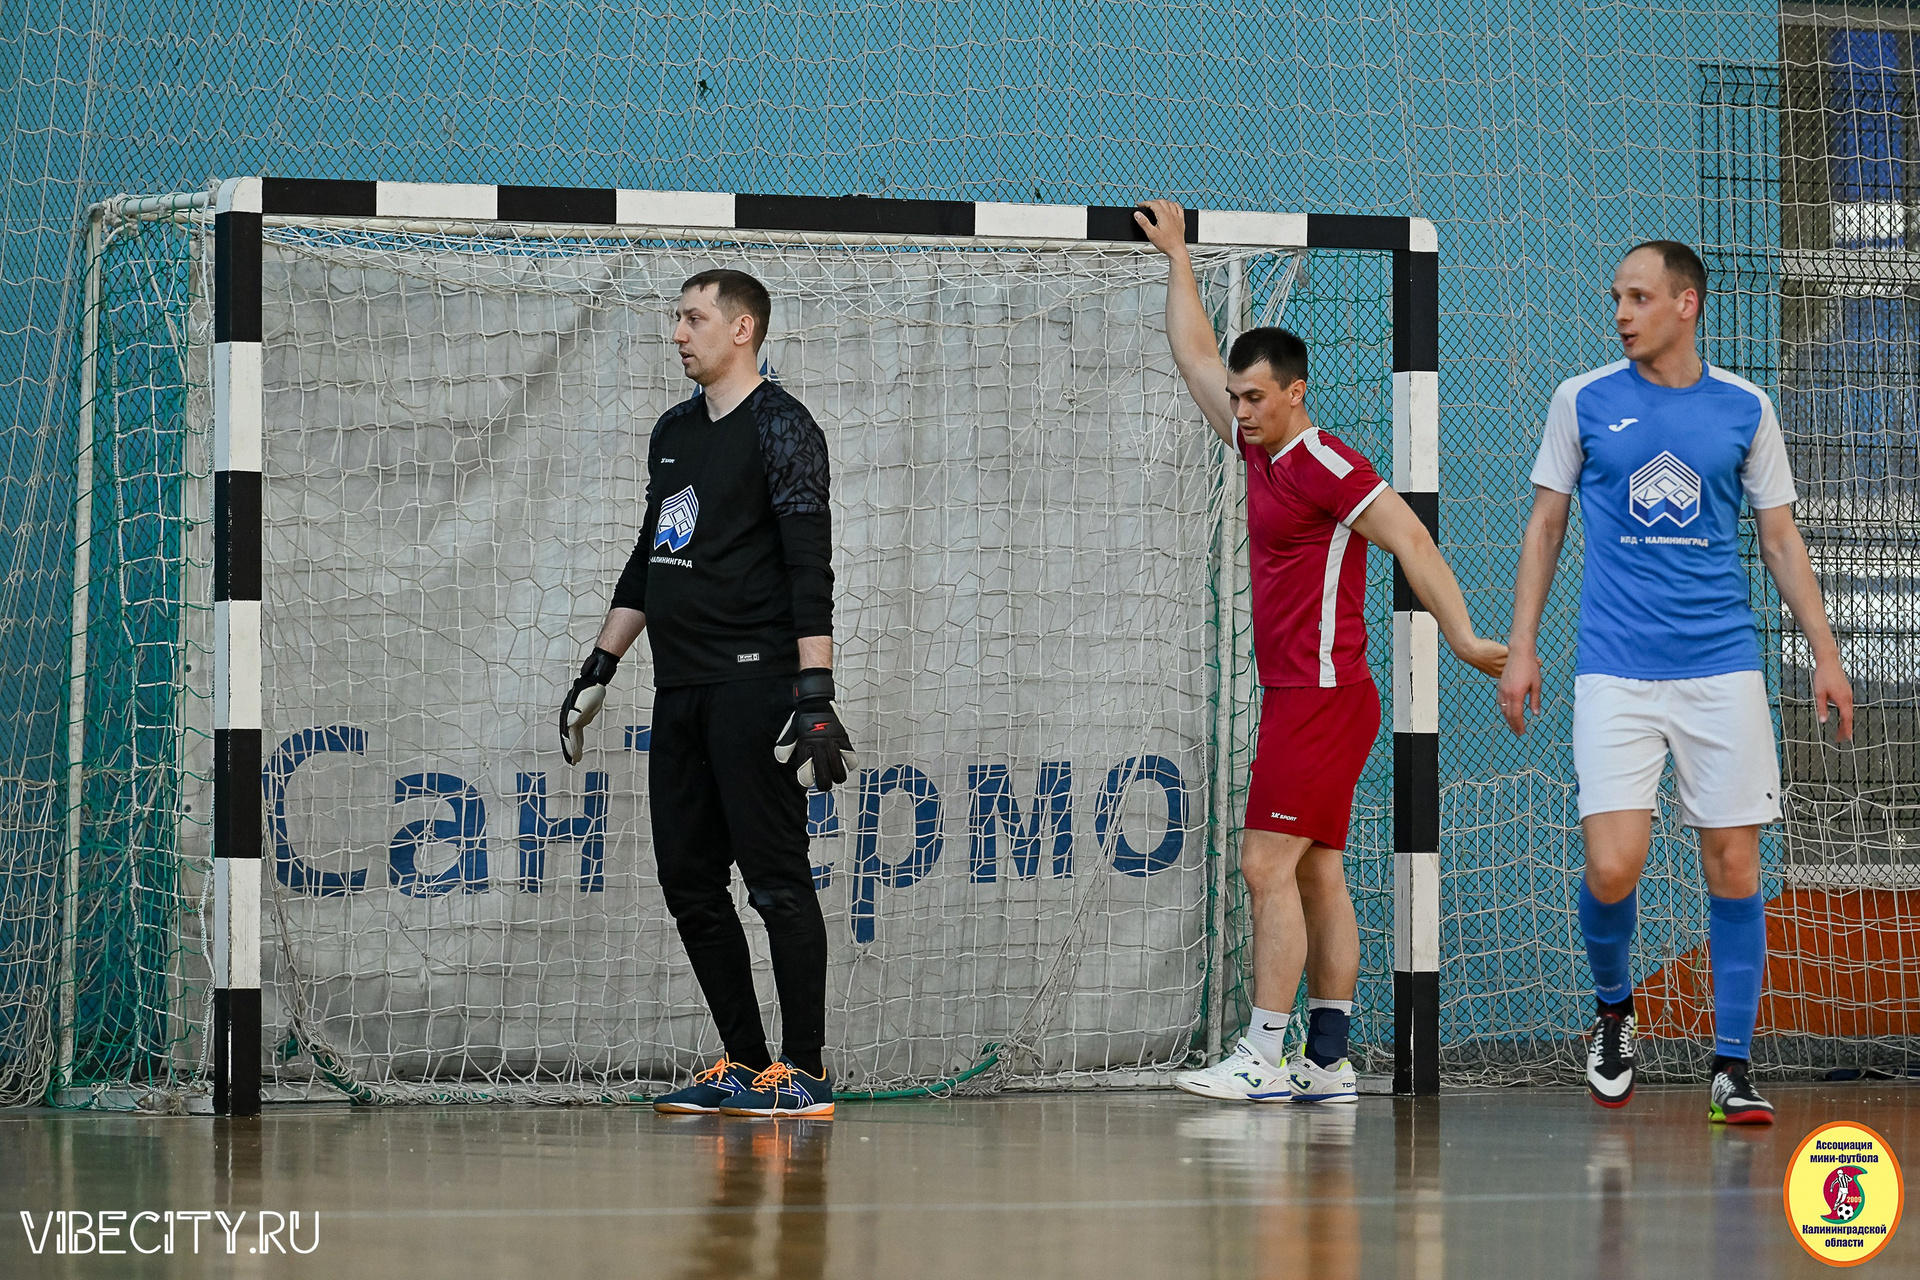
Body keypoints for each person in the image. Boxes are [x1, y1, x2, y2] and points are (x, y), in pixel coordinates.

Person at [1135, 199, 1508, 1104]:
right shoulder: (1257, 449)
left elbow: (1410, 538)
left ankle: (1263, 1057)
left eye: (1255, 397)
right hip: (1300, 693)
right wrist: (1179, 257)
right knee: (1315, 869)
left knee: (1265, 865)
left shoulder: (1324, 463)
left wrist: (1461, 635)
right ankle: (1327, 1060)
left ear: (1296, 392)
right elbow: (1195, 357)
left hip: (1323, 694)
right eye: (1237, 398)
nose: (1240, 410)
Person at [1498, 240, 1854, 1125]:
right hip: (1614, 672)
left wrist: (1826, 651)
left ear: (1686, 304)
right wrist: (1521, 645)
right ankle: (1614, 1013)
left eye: (1639, 297)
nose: (1622, 314)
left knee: (1734, 865)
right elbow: (1545, 526)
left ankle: (1731, 1066)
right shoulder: (1581, 400)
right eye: (1617, 298)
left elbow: (1780, 538)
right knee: (1612, 865)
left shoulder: (1745, 407)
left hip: (1721, 669)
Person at [558, 268, 856, 1119]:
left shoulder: (783, 426)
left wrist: (815, 692)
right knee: (689, 882)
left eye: (693, 318)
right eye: (677, 318)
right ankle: (745, 1064)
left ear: (742, 328)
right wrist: (600, 667)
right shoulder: (675, 431)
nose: (678, 333)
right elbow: (650, 559)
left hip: (755, 686)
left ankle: (804, 1073)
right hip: (680, 688)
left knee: (775, 882)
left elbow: (809, 567)